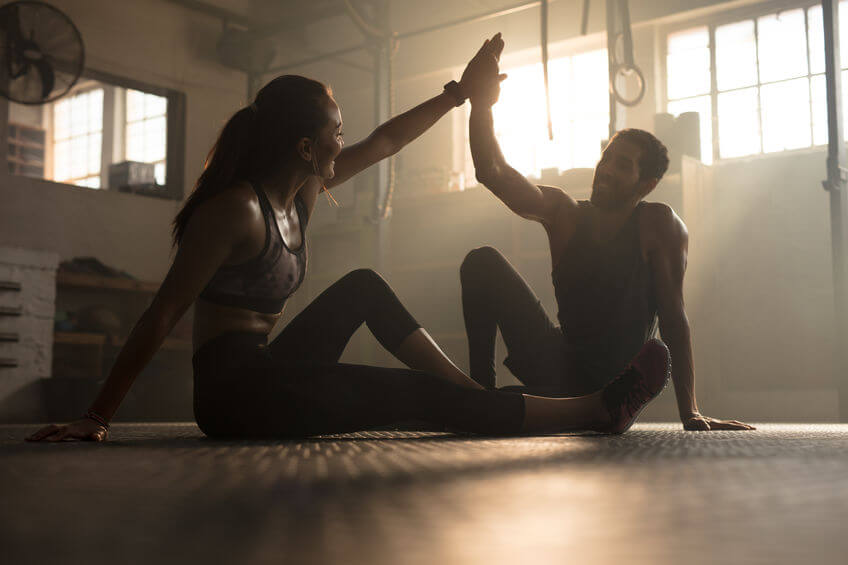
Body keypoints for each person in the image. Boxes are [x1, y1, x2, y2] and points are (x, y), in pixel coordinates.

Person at [27, 35, 670, 442]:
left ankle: (472, 399)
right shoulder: (236, 211)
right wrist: (98, 414)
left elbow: (385, 142)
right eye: (335, 130)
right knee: (412, 399)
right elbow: (165, 310)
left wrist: (460, 95)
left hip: (271, 367)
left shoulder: (300, 193)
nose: (344, 139)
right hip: (235, 398)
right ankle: (593, 409)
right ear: (306, 148)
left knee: (363, 287)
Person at [460, 34, 752, 432]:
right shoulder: (564, 214)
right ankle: (480, 399)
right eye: (607, 158)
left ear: (645, 185)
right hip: (558, 365)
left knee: (659, 351)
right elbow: (490, 172)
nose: (608, 169)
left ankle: (575, 408)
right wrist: (481, 103)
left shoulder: (657, 224)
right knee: (481, 262)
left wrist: (691, 413)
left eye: (624, 165)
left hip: (613, 386)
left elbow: (673, 316)